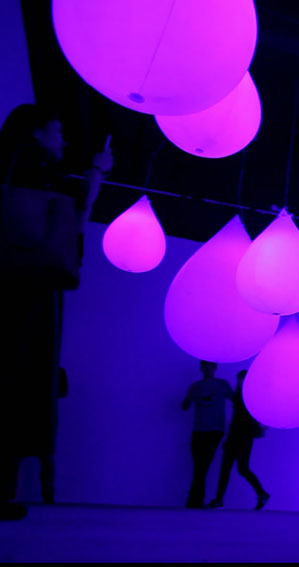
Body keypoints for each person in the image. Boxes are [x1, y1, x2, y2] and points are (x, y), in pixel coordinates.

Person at [0, 104, 111, 521]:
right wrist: (97, 172)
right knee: (19, 383)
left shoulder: (12, 172)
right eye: (57, 131)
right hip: (30, 290)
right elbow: (74, 220)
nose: (63, 141)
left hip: (15, 284)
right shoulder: (40, 173)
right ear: (35, 133)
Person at [208, 370, 269, 511]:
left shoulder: (248, 398)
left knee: (237, 468)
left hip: (242, 436)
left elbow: (244, 417)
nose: (240, 382)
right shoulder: (243, 397)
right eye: (239, 380)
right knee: (233, 468)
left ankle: (260, 494)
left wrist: (260, 426)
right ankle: (220, 500)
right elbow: (237, 418)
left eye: (242, 380)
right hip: (238, 436)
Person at [181, 360, 234, 509]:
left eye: (209, 366)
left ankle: (195, 499)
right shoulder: (195, 386)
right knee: (199, 465)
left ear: (215, 368)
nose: (206, 369)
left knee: (203, 464)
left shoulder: (222, 385)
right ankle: (195, 500)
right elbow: (184, 407)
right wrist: (189, 396)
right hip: (198, 430)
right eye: (204, 366)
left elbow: (237, 400)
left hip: (215, 430)